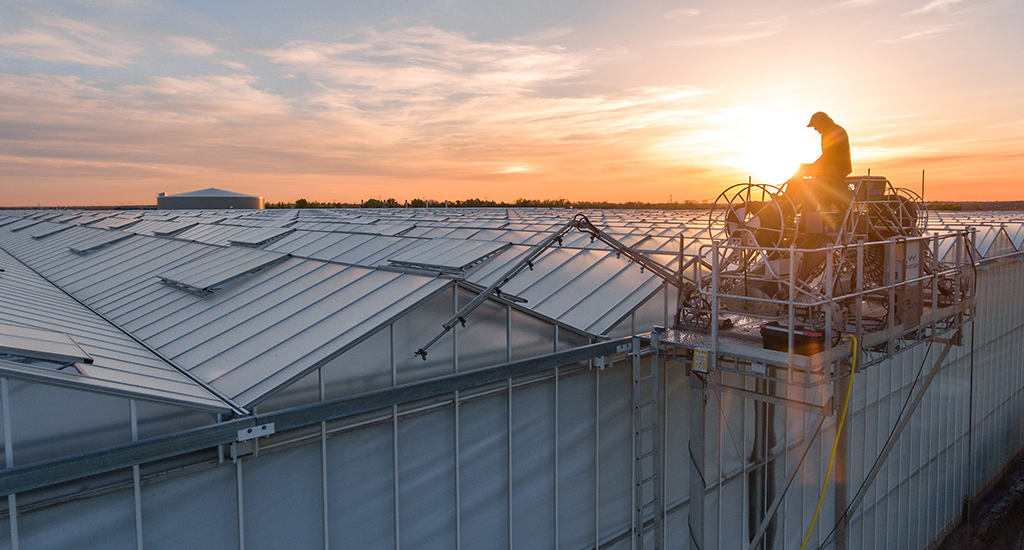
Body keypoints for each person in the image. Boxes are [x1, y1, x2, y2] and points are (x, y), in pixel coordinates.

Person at [785, 112, 852, 211]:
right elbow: (827, 156)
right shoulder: (828, 132)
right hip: (829, 166)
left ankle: (802, 214)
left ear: (822, 123)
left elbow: (829, 155)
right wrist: (813, 167)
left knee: (815, 185)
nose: (815, 129)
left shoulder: (835, 131)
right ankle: (787, 198)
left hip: (838, 168)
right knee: (802, 168)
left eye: (815, 126)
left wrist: (814, 167)